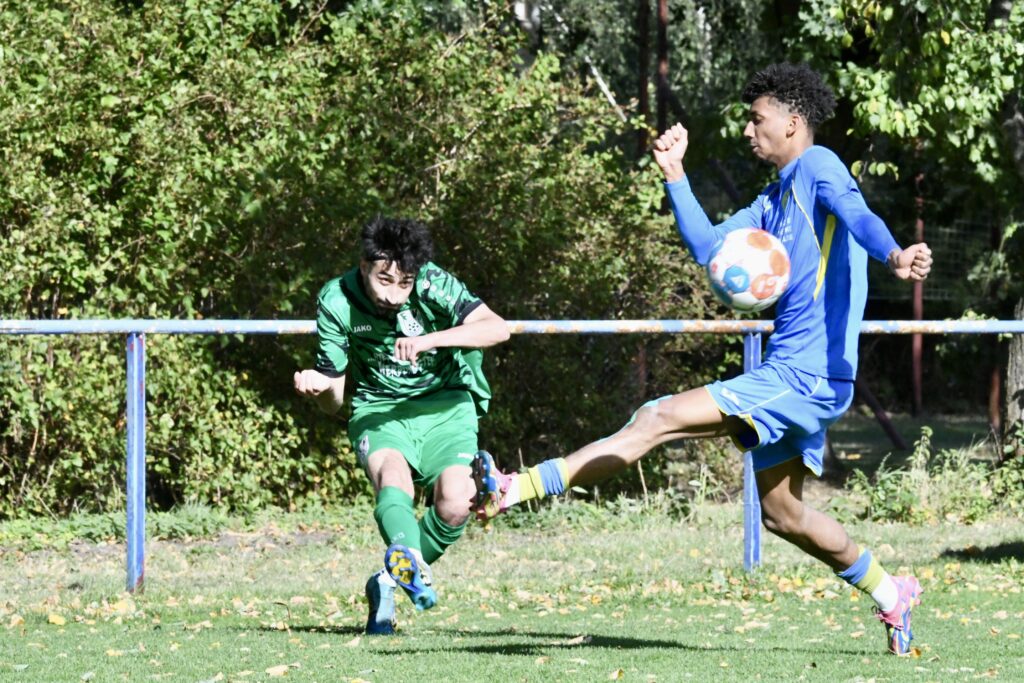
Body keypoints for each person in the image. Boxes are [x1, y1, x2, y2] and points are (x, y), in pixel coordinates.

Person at [472, 63, 933, 656]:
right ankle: (891, 593)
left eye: (756, 118)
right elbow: (710, 247)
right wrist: (675, 175)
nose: (748, 130)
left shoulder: (819, 167)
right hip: (796, 374)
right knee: (783, 516)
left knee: (656, 417)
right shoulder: (773, 199)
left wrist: (894, 254)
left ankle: (520, 486)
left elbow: (860, 218)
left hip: (806, 374)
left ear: (793, 123)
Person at [294, 216, 510, 635]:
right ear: (364, 266)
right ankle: (408, 560)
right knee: (393, 477)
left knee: (454, 501)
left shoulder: (431, 282)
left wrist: (431, 340)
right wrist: (321, 388)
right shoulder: (335, 300)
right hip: (378, 408)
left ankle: (390, 577)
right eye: (385, 280)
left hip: (445, 403)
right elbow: (336, 404)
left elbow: (497, 329)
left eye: (404, 284)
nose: (395, 295)